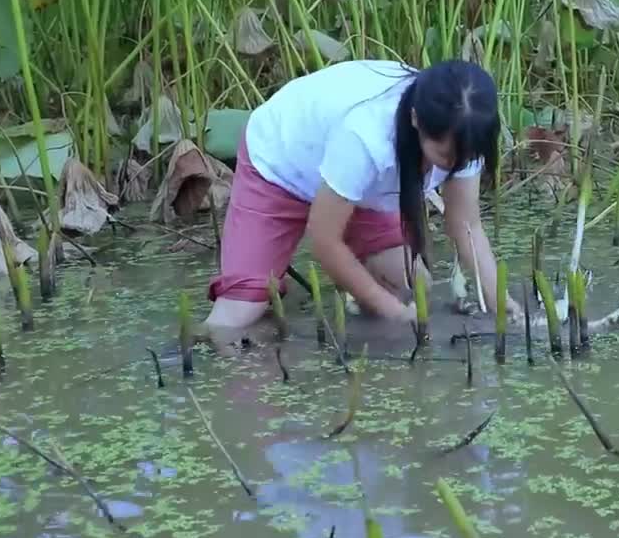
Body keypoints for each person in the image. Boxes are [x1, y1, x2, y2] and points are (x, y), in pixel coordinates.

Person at [203, 58, 522, 334]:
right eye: (446, 156)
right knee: (237, 318)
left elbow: (466, 225)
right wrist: (392, 313)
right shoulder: (367, 136)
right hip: (282, 164)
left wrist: (499, 300)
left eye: (465, 159)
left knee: (415, 287)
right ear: (415, 121)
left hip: (359, 189)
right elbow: (325, 242)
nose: (458, 166)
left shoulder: (469, 134)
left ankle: (359, 308)